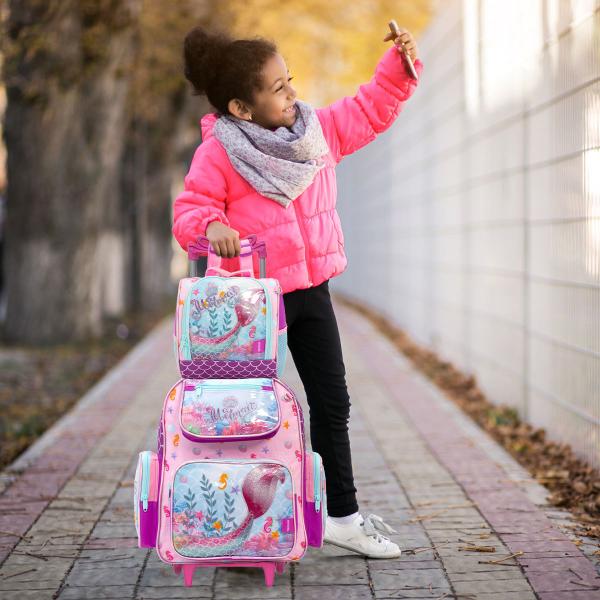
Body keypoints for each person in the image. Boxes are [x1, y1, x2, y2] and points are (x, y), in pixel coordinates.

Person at [172, 24, 423, 559]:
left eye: (290, 80)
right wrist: (209, 226)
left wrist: (397, 69)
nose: (292, 94)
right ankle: (236, 528)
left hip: (311, 295)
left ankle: (342, 516)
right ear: (241, 107)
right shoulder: (220, 153)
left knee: (333, 403)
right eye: (278, 88)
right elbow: (190, 210)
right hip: (250, 308)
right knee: (244, 413)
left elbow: (368, 109)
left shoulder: (315, 131)